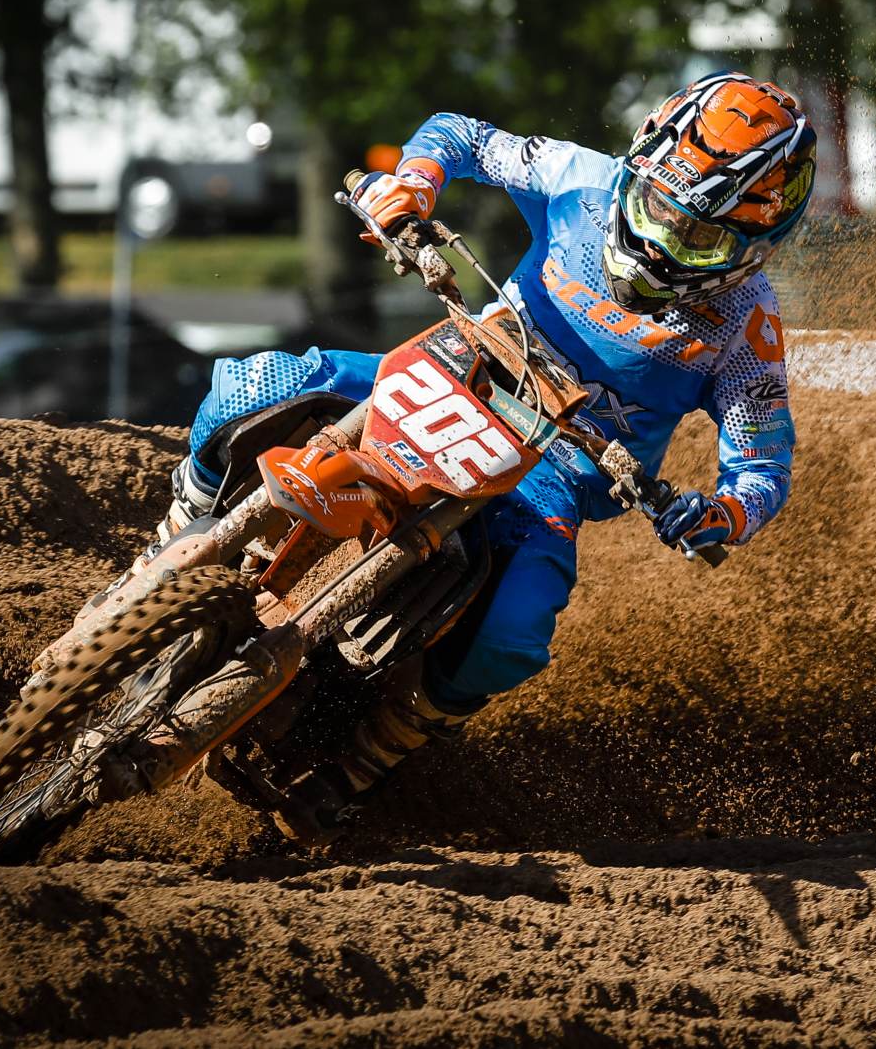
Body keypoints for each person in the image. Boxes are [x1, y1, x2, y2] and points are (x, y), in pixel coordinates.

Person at [160, 72, 815, 836]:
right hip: (453, 366)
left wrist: (721, 513)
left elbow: (762, 465)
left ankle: (371, 756)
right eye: (656, 207)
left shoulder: (746, 328)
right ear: (639, 164)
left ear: (755, 247)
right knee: (254, 385)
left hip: (552, 478)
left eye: (698, 237)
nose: (660, 241)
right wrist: (411, 187)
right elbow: (462, 135)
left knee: (512, 635)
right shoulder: (579, 178)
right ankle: (171, 538)